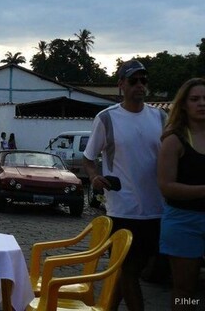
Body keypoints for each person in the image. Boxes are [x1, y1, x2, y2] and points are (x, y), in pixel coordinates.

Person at [83, 59, 166, 311]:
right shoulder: (107, 119)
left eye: (144, 80)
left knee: (128, 270)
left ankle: (106, 307)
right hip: (122, 209)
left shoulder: (161, 117)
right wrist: (94, 176)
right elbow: (88, 158)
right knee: (127, 270)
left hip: (156, 209)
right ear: (121, 85)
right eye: (133, 81)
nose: (140, 85)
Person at [157, 77, 205, 310]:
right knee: (186, 289)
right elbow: (166, 186)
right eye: (195, 99)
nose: (202, 103)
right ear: (184, 104)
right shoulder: (173, 140)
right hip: (183, 220)